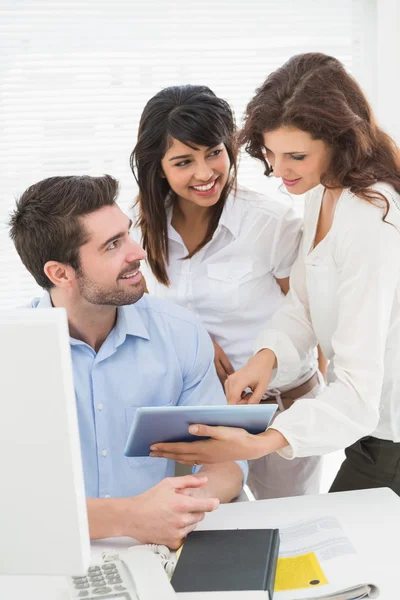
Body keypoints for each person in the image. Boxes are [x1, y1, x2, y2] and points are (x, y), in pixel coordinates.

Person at [149, 53, 400, 496]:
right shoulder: (321, 191)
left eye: (296, 156)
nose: (278, 171)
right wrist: (266, 358)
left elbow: (359, 387)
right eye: (270, 153)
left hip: (389, 432)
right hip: (367, 429)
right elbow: (301, 302)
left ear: (340, 141)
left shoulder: (371, 216)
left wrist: (263, 442)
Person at [9, 174, 246, 548]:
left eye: (127, 233)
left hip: (159, 547)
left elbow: (226, 461)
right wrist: (129, 516)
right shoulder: (13, 354)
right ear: (60, 273)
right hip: (48, 552)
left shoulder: (180, 333)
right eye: (112, 245)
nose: (137, 252)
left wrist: (181, 506)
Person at [130, 84, 323, 499]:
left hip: (280, 406)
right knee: (204, 532)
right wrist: (194, 339)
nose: (205, 173)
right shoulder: (138, 227)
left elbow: (309, 311)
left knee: (287, 531)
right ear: (157, 167)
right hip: (195, 411)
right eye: (183, 161)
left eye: (213, 152)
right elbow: (140, 311)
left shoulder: (270, 222)